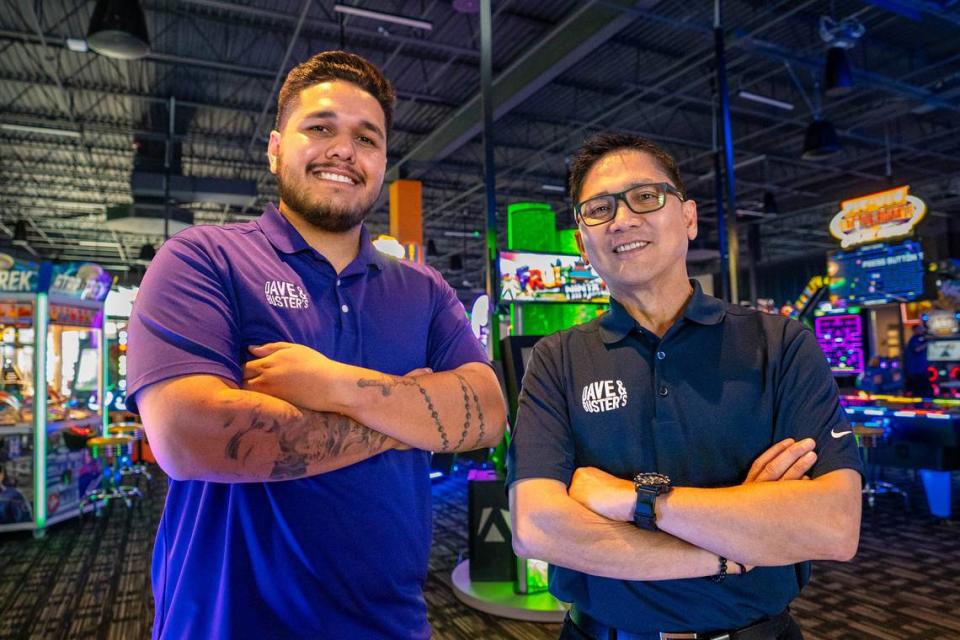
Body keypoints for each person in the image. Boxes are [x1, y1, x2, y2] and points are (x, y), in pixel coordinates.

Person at [127, 51, 506, 640]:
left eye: (366, 138)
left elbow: (486, 413)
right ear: (276, 146)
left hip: (390, 623)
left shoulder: (422, 289)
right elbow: (186, 435)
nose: (344, 150)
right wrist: (413, 414)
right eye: (320, 128)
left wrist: (335, 385)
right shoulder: (202, 259)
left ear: (382, 161)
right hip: (226, 622)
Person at [508, 132, 863, 640]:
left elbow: (833, 525)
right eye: (599, 209)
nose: (623, 219)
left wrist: (635, 500)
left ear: (689, 218)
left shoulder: (779, 343)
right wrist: (728, 550)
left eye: (645, 197)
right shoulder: (557, 358)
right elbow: (536, 526)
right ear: (584, 243)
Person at [903, 323, 933, 397]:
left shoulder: (922, 338)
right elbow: (916, 349)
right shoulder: (914, 339)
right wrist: (927, 343)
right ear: (915, 330)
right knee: (920, 390)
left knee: (924, 389)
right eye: (919, 329)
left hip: (921, 369)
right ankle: (919, 405)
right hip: (916, 370)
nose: (921, 330)